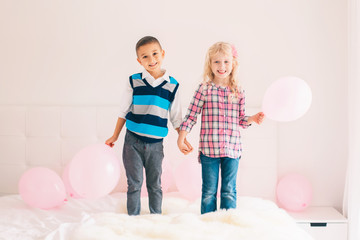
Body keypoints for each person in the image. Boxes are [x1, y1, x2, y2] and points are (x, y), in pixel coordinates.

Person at [106, 36, 192, 215]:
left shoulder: (172, 85)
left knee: (154, 184)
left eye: (154, 54)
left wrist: (182, 138)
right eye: (145, 56)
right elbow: (123, 111)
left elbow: (176, 118)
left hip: (155, 145)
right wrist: (115, 135)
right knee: (134, 184)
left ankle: (156, 218)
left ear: (162, 54)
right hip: (132, 142)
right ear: (139, 60)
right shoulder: (134, 81)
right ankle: (133, 219)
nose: (151, 60)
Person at [177, 42, 264, 214]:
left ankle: (227, 225)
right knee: (209, 192)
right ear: (210, 64)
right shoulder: (204, 89)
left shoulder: (238, 91)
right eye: (216, 62)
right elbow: (191, 116)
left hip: (232, 149)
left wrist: (252, 119)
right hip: (209, 150)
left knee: (229, 191)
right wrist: (181, 137)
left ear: (233, 64)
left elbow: (240, 119)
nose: (221, 66)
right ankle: (209, 226)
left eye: (226, 62)